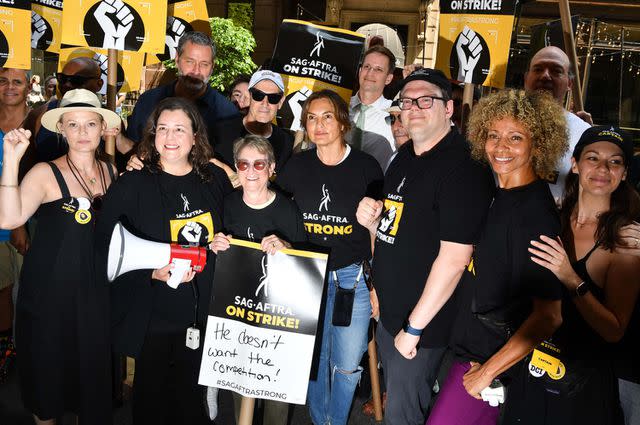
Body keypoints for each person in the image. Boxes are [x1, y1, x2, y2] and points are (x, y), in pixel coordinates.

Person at [355, 68, 494, 425]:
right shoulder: (404, 157)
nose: (413, 107)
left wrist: (414, 328)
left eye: (425, 100)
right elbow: (391, 233)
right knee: (398, 403)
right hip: (390, 313)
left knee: (403, 413)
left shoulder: (463, 167)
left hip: (422, 326)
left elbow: (455, 258)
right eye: (406, 101)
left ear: (449, 108)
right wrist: (371, 228)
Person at [425, 89, 567, 425]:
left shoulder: (534, 215)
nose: (501, 147)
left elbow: (549, 315)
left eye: (515, 137)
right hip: (469, 353)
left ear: (539, 143)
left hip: (490, 365)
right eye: (493, 136)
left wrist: (488, 372)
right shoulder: (501, 194)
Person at [95, 97, 233, 424]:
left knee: (189, 399)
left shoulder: (213, 180)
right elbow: (104, 246)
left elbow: (234, 226)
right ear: (152, 134)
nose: (170, 137)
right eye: (163, 129)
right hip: (153, 315)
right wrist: (150, 274)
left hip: (200, 314)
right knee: (150, 399)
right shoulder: (132, 184)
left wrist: (224, 241)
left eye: (180, 129)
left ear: (196, 136)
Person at [0, 88, 120, 424]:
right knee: (48, 392)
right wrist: (11, 161)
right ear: (62, 129)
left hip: (95, 298)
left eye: (90, 124)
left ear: (102, 128)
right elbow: (9, 219)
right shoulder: (43, 173)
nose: (82, 133)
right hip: (49, 300)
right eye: (73, 125)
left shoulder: (111, 171)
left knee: (91, 392)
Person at [506, 126, 640, 424]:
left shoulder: (626, 242)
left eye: (615, 161)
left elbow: (613, 331)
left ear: (624, 173)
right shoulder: (551, 219)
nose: (603, 168)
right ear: (575, 164)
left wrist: (570, 277)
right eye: (593, 158)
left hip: (582, 387)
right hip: (531, 370)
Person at [276, 89, 383, 425]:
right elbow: (279, 212)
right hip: (308, 276)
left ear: (342, 123)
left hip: (352, 278)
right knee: (313, 359)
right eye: (311, 117)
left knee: (348, 364)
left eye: (326, 117)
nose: (319, 124)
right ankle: (321, 420)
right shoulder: (297, 166)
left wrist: (378, 283)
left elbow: (376, 230)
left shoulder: (367, 167)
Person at [210, 134, 306, 425]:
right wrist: (215, 246)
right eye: (243, 164)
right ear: (236, 168)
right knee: (241, 387)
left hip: (279, 314)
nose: (251, 171)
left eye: (259, 164)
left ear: (272, 167)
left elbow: (306, 266)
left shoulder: (287, 209)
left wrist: (287, 249)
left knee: (276, 395)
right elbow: (211, 255)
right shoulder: (226, 205)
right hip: (237, 312)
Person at [119, 31, 238, 152]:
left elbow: (224, 166)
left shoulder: (227, 113)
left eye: (204, 64)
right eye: (190, 62)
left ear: (212, 67)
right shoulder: (148, 101)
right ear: (177, 59)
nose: (196, 71)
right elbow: (134, 149)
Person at [524, 46, 591, 202]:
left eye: (556, 71)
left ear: (569, 83)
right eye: (538, 69)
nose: (545, 76)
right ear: (526, 78)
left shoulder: (583, 134)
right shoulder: (499, 125)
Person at [22, 57, 106, 163]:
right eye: (62, 78)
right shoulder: (38, 115)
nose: (67, 84)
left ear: (99, 84)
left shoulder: (111, 121)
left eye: (77, 80)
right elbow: (26, 163)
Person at [213, 70, 293, 176]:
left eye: (273, 98)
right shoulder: (220, 132)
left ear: (281, 102)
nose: (265, 103)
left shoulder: (286, 142)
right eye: (258, 95)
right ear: (250, 96)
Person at [347, 45, 396, 169]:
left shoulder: (396, 113)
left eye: (378, 69)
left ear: (388, 79)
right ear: (359, 71)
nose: (370, 73)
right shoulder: (339, 107)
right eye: (367, 67)